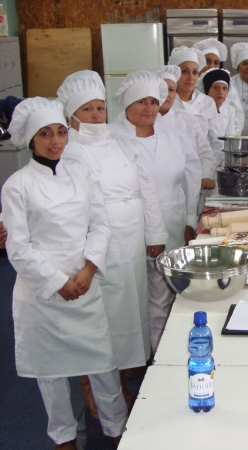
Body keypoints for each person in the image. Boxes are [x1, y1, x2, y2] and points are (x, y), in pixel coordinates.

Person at [2, 97, 128, 449]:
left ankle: (116, 430)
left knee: (103, 365)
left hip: (84, 284)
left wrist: (88, 269)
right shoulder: (17, 185)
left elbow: (100, 224)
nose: (56, 141)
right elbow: (18, 247)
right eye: (45, 134)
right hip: (41, 293)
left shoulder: (81, 174)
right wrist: (58, 282)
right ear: (31, 140)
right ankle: (63, 438)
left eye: (60, 131)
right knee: (51, 375)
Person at [56, 70, 169, 413]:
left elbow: (146, 189)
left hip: (131, 236)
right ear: (72, 116)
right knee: (103, 316)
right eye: (87, 110)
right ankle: (97, 384)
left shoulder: (122, 142)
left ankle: (122, 372)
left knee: (130, 308)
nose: (95, 116)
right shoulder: (68, 151)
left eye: (100, 109)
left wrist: (155, 234)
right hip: (95, 243)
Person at [108, 70, 202, 352]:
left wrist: (188, 218)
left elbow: (191, 174)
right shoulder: (110, 138)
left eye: (152, 101)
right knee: (131, 297)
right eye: (140, 102)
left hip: (171, 223)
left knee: (165, 293)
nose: (148, 108)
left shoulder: (173, 135)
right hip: (129, 230)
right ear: (126, 105)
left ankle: (159, 356)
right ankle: (133, 356)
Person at [154, 64, 217, 189]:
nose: (167, 94)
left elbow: (205, 154)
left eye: (171, 90)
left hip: (189, 189)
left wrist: (205, 176)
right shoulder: (144, 120)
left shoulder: (187, 120)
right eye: (162, 89)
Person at [168, 46, 222, 166]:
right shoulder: (166, 102)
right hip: (173, 167)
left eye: (195, 72)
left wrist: (208, 171)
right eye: (184, 71)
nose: (190, 77)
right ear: (174, 74)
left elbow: (216, 141)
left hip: (204, 166)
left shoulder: (207, 102)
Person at [193, 38, 245, 134]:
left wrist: (229, 142)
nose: (212, 66)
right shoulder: (190, 84)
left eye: (216, 63)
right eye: (207, 61)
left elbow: (237, 116)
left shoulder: (225, 81)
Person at [201, 68, 240, 161]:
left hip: (224, 158)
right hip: (205, 159)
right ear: (207, 90)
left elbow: (231, 139)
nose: (221, 92)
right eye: (216, 87)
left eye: (224, 88)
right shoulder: (200, 111)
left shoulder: (230, 110)